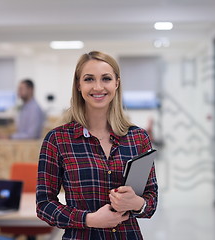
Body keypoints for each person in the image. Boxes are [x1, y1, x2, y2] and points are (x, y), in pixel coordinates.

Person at [36, 51, 158, 239]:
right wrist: (89, 219)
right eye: (89, 79)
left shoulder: (138, 138)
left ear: (116, 83)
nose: (98, 87)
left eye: (106, 79)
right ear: (78, 85)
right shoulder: (57, 140)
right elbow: (44, 204)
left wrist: (135, 203)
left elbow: (151, 201)